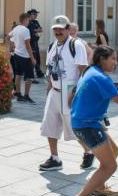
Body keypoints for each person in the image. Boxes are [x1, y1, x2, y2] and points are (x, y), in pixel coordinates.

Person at [70, 46, 118, 196]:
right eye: (113, 59)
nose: (115, 63)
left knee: (114, 150)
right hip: (87, 126)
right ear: (102, 59)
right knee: (110, 166)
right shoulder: (101, 78)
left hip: (84, 122)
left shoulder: (91, 71)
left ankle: (99, 186)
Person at [39, 15, 92, 171]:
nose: (58, 31)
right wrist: (49, 88)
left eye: (61, 28)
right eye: (55, 29)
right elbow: (50, 69)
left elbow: (83, 71)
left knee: (73, 127)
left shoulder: (76, 45)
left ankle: (89, 152)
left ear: (68, 29)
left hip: (70, 91)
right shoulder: (51, 46)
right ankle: (54, 158)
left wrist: (79, 94)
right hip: (55, 91)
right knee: (49, 125)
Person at [7, 13, 37, 103]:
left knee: (18, 75)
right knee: (30, 77)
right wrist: (32, 58)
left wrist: (12, 45)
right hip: (25, 56)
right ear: (24, 20)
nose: (29, 22)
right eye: (28, 20)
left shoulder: (16, 28)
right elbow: (28, 45)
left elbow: (7, 37)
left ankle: (18, 94)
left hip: (16, 55)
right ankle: (26, 96)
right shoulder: (25, 30)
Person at [27, 9, 45, 80]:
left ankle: (38, 72)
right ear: (31, 14)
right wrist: (35, 31)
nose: (36, 15)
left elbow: (41, 29)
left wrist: (35, 31)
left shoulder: (35, 22)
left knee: (37, 58)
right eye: (35, 14)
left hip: (35, 42)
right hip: (30, 43)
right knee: (32, 58)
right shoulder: (27, 22)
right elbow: (29, 31)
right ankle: (32, 73)